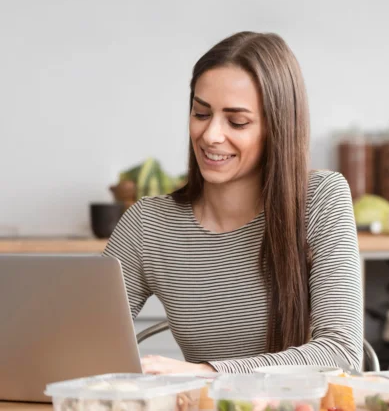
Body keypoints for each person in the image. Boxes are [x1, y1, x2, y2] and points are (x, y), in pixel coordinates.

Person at [103, 32, 363, 374]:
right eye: (201, 114)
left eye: (237, 121)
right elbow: (79, 340)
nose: (211, 135)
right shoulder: (148, 223)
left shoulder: (321, 199)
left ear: (277, 127)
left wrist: (207, 373)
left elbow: (341, 354)